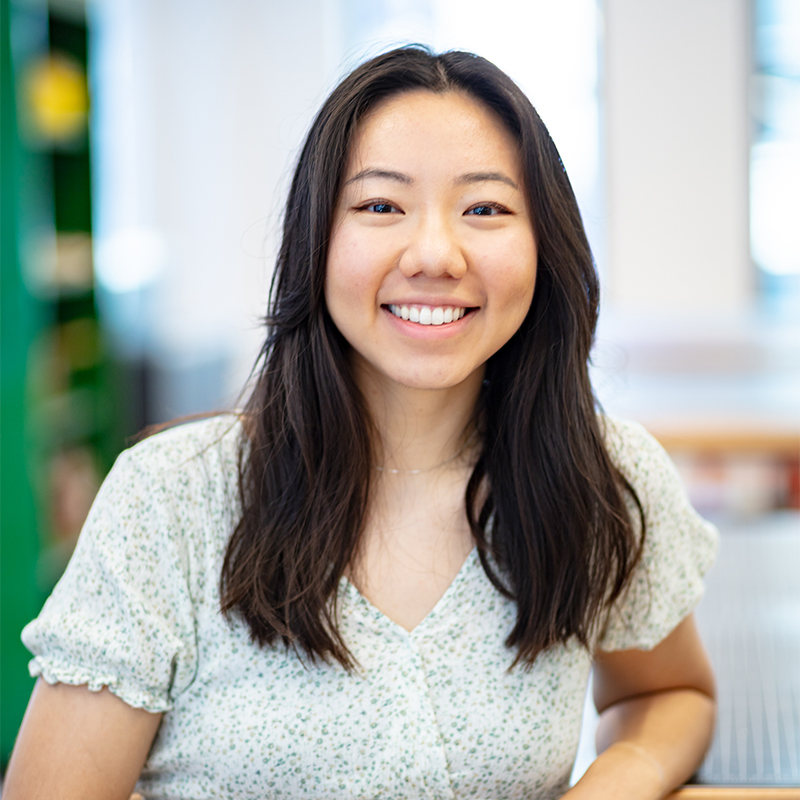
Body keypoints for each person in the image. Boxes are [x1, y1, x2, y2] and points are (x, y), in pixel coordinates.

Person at [4, 46, 717, 800]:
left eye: (485, 208)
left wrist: (621, 777)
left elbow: (666, 695)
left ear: (545, 244)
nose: (435, 254)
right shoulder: (169, 499)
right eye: (380, 206)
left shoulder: (595, 475)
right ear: (316, 240)